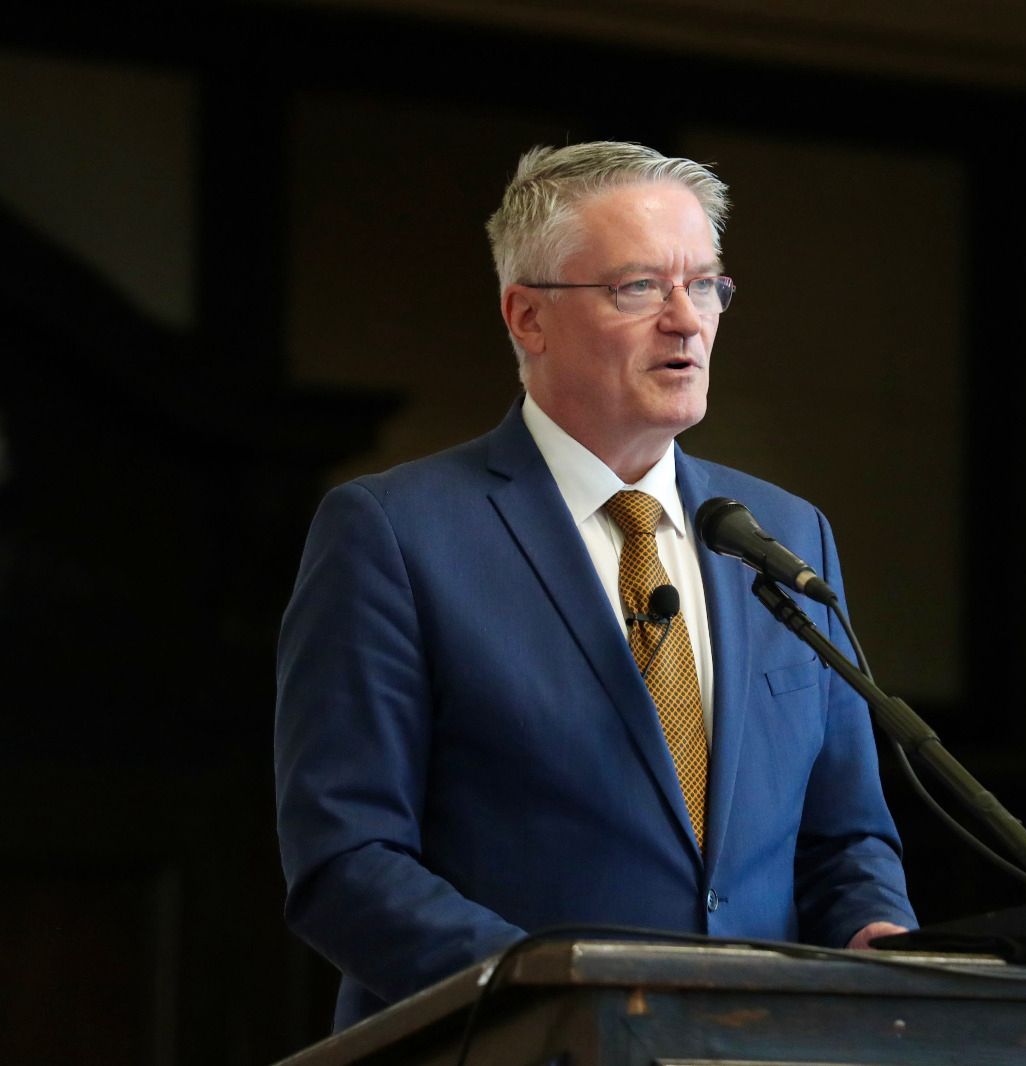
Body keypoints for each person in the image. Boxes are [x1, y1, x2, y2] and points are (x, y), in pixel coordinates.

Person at [274, 142, 914, 1030]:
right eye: (640, 287)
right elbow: (347, 861)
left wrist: (875, 933)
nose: (686, 322)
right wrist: (563, 999)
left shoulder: (784, 535)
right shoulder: (394, 533)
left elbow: (845, 837)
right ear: (527, 317)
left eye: (706, 285)